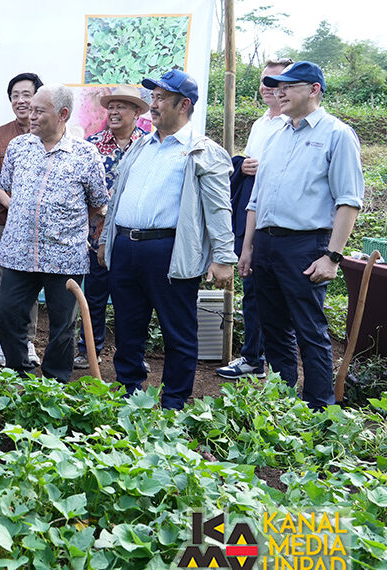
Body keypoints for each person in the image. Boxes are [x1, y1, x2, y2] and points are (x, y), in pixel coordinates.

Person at [98, 69, 236, 410]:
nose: (153, 104)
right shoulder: (140, 146)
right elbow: (117, 199)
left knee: (178, 330)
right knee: (128, 326)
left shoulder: (202, 151)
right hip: (126, 245)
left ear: (183, 104)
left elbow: (219, 208)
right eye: (153, 97)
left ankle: (173, 402)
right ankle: (131, 393)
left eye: (161, 98)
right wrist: (105, 240)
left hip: (168, 251)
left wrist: (223, 257)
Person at [239, 61, 363, 409]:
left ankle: (320, 408)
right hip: (266, 244)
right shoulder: (276, 135)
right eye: (277, 87)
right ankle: (284, 403)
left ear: (314, 90)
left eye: (289, 86)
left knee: (310, 329)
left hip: (305, 245)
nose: (280, 92)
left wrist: (332, 256)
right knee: (273, 328)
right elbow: (256, 199)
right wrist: (248, 247)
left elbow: (349, 200)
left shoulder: (336, 134)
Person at [0, 85, 108, 380]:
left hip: (64, 256)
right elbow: (7, 186)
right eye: (30, 109)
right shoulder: (19, 147)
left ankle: (54, 382)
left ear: (63, 115)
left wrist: (63, 225)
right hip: (18, 251)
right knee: (8, 315)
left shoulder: (86, 155)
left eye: (38, 111)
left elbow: (98, 204)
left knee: (62, 325)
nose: (30, 116)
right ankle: (18, 374)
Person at [216, 58, 293, 380]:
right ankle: (252, 356)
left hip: (286, 223)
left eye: (274, 82)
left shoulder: (293, 125)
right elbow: (252, 166)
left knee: (282, 296)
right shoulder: (261, 124)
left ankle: (279, 365)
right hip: (254, 216)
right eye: (264, 81)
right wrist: (243, 166)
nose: (266, 87)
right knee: (252, 287)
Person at [74, 85, 149, 369]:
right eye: (112, 106)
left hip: (133, 235)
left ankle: (133, 355)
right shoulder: (91, 145)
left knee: (132, 300)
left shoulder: (149, 145)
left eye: (122, 107)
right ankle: (88, 350)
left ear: (137, 113)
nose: (115, 112)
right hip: (96, 235)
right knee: (94, 295)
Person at [0, 72, 43, 367]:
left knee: (29, 284)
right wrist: (15, 206)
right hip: (2, 221)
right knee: (0, 283)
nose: (20, 101)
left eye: (26, 94)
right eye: (15, 96)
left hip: (38, 225)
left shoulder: (49, 134)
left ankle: (26, 341)